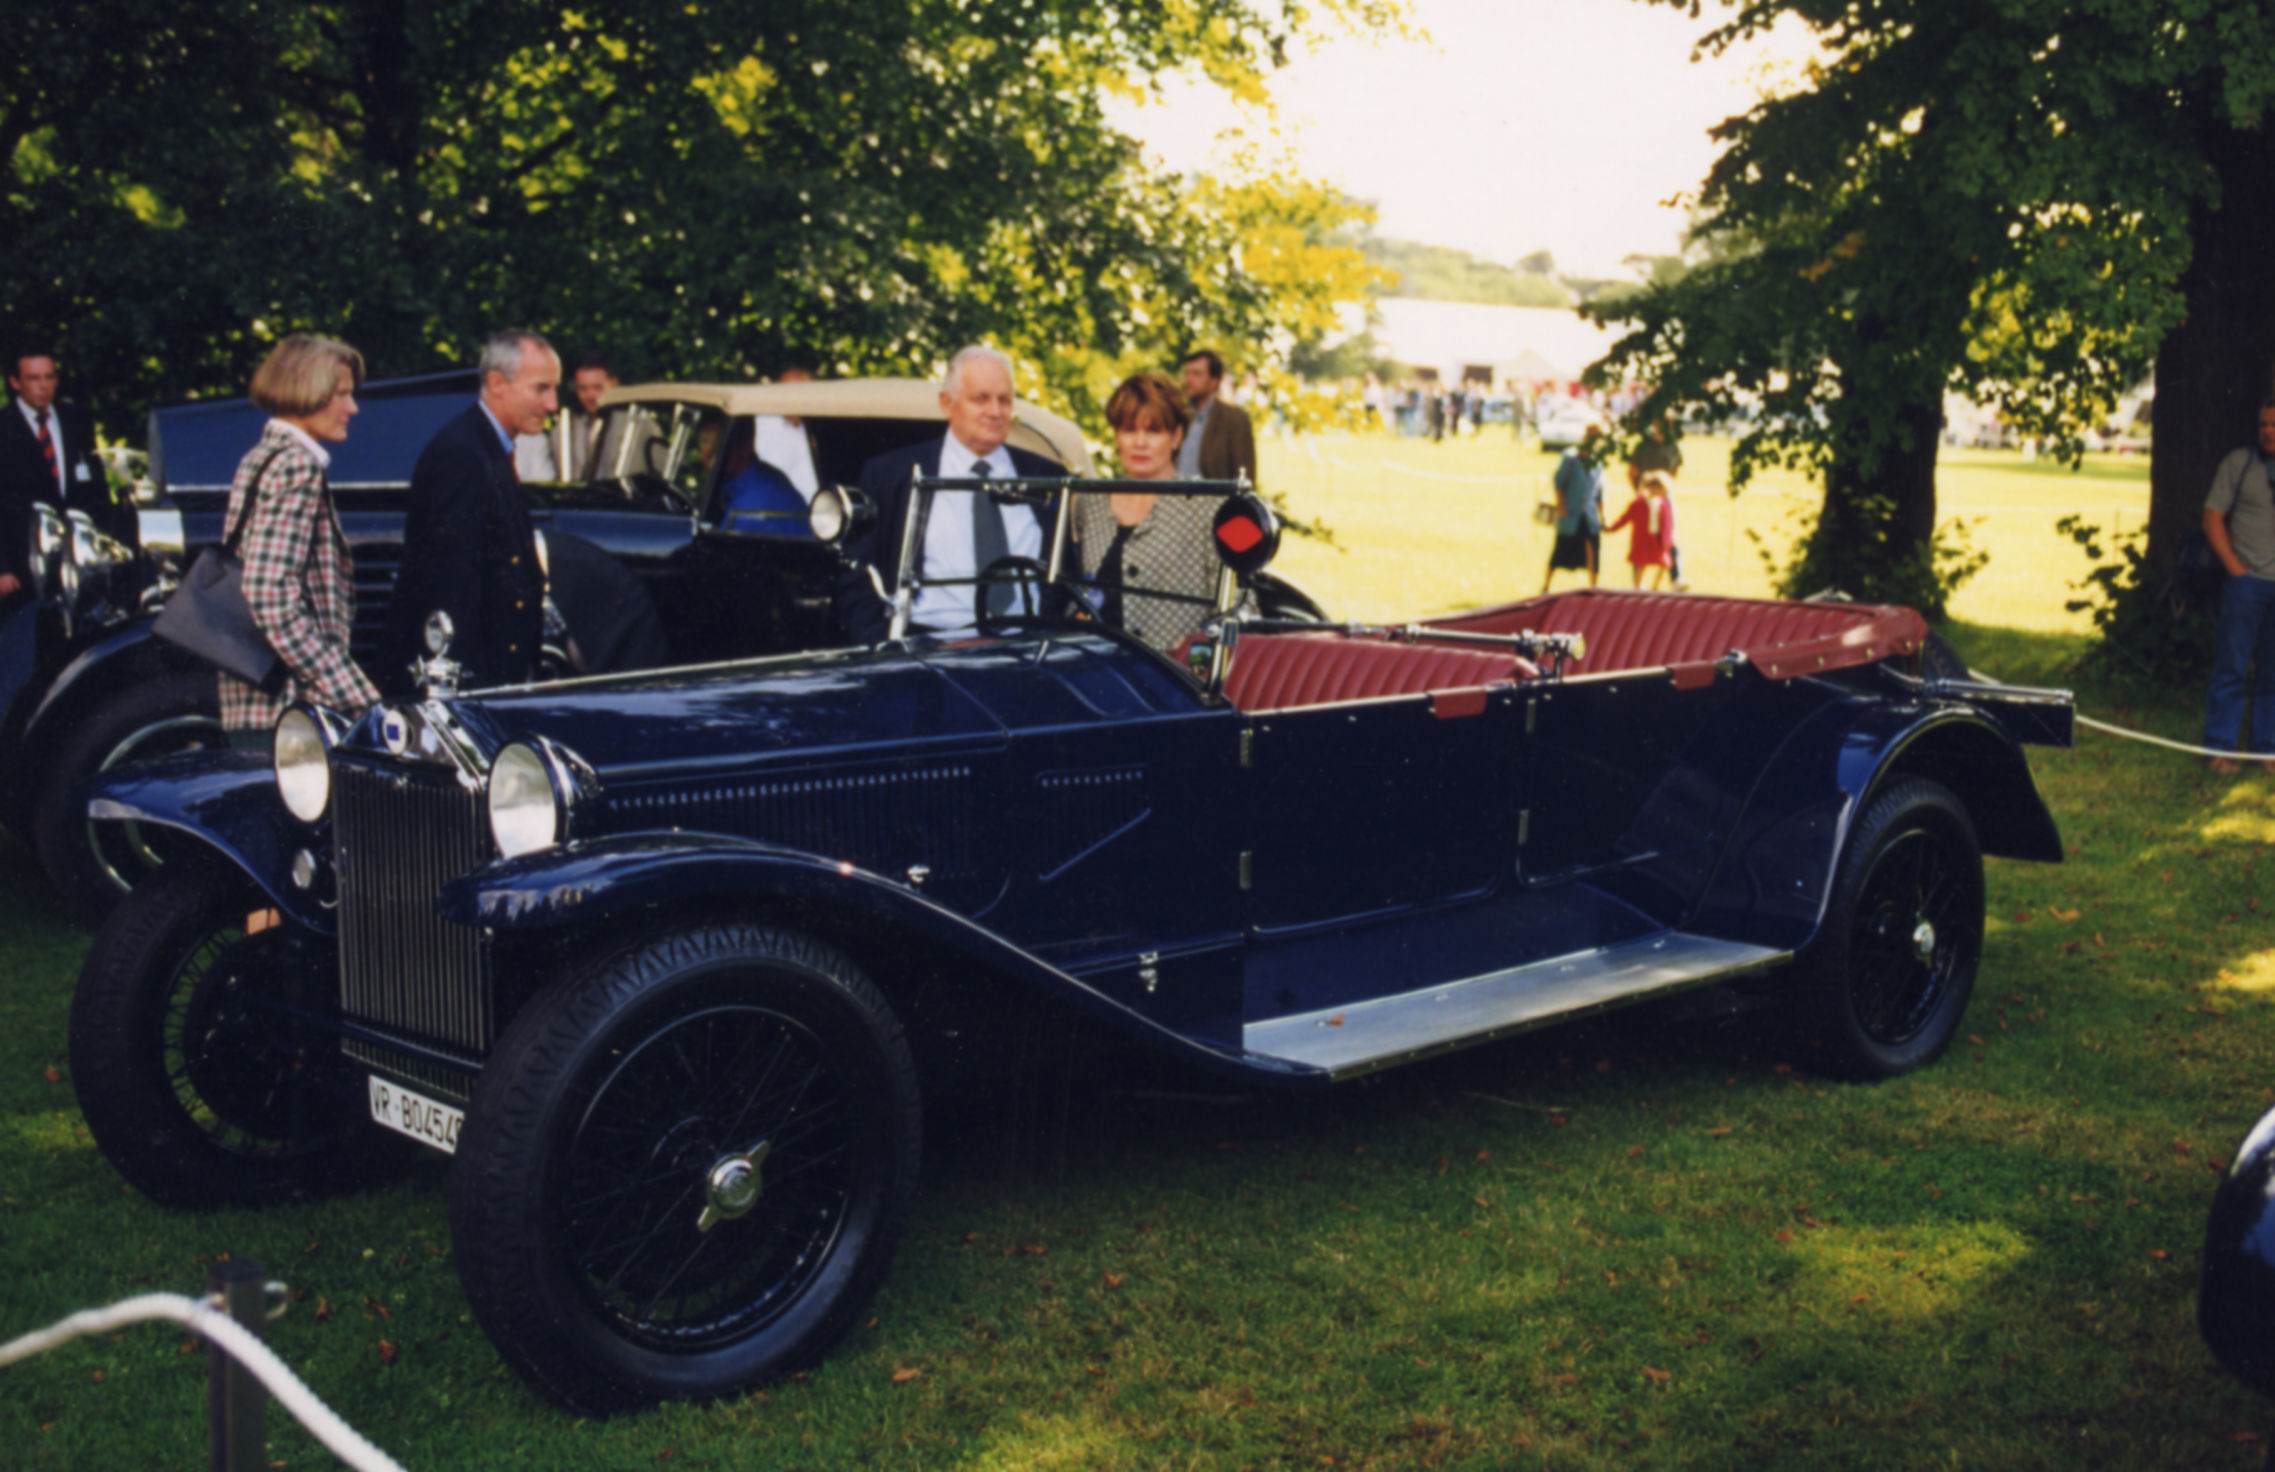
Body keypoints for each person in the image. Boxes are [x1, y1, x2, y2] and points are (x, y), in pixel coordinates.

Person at [217, 335, 382, 747]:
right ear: (309, 391)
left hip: (254, 703)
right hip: (289, 714)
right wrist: (353, 692)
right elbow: (268, 593)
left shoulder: (262, 456)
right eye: (342, 394)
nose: (353, 408)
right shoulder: (296, 466)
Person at [840, 346, 1064, 642]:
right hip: (927, 651)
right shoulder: (892, 475)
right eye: (980, 399)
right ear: (946, 403)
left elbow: (1065, 577)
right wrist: (884, 651)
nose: (995, 412)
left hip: (1027, 648)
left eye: (1004, 400)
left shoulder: (1047, 477)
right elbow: (859, 576)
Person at [381, 329, 556, 691]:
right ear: (497, 383)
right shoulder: (462, 455)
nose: (552, 404)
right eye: (541, 389)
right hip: (468, 684)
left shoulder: (487, 448)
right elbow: (449, 588)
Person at [1074, 371, 1224, 653]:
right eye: (1129, 430)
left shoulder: (1206, 507)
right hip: (1095, 666)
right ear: (1117, 436)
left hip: (1174, 671)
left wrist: (1197, 654)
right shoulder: (1091, 504)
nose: (1139, 443)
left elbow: (1238, 608)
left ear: (1176, 436)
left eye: (1153, 431)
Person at [1, 348, 124, 604]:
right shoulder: (5, 427)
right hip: (24, 564)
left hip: (80, 560)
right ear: (15, 382)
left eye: (50, 377)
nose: (44, 386)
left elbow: (97, 489)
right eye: (34, 378)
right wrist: (3, 569)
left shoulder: (76, 420)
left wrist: (105, 546)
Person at [2201, 399, 2275, 774]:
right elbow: (2212, 515)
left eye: (2274, 425)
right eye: (2263, 425)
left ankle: (2268, 750)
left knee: (2273, 673)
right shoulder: (2239, 464)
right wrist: (2234, 567)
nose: (2268, 431)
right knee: (2231, 667)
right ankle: (2220, 749)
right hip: (2246, 585)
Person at [1176, 349, 1258, 484]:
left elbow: (1244, 475)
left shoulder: (1234, 419)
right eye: (1187, 373)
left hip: (1214, 496)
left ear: (1214, 381)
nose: (1188, 380)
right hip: (1174, 495)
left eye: (1197, 374)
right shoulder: (1178, 415)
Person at [1542, 424, 1605, 593]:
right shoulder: (1571, 458)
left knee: (1593, 547)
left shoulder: (1598, 461)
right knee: (1561, 548)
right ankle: (1546, 584)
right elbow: (1559, 483)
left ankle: (1594, 585)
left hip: (1589, 514)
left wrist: (1602, 515)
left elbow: (1599, 491)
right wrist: (1561, 505)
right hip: (1571, 511)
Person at [753, 363, 821, 499]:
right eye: (785, 392)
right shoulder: (762, 425)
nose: (790, 398)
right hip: (778, 506)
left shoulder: (818, 425)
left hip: (820, 507)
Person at [1607, 470, 1677, 589]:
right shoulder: (1638, 503)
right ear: (1654, 488)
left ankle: (1655, 586)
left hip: (1657, 539)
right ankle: (1637, 587)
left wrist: (1667, 539)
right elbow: (1626, 517)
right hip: (1642, 540)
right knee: (1641, 563)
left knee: (1665, 562)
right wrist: (1612, 528)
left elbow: (1667, 523)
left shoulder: (1662, 504)